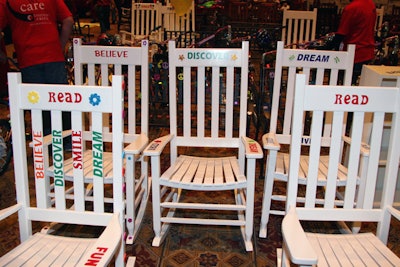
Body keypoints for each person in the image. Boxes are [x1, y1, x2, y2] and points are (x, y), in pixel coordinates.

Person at [0, 0, 74, 137]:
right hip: (53, 56)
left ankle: (45, 141)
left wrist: (2, 54)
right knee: (61, 99)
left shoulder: (7, 2)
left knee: (37, 103)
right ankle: (66, 140)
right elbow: (68, 20)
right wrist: (60, 46)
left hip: (28, 59)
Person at [329, 0, 377, 85]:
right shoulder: (370, 4)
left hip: (354, 54)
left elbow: (341, 34)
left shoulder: (351, 8)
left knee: (346, 82)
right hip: (368, 52)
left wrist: (326, 48)